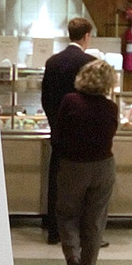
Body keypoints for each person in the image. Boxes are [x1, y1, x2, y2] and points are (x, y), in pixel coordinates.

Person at [55, 59, 119, 265]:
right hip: (103, 165)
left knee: (67, 214)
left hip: (74, 165)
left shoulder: (70, 101)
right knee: (95, 220)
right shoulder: (111, 107)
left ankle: (73, 256)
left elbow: (58, 133)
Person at [41, 17, 96, 244]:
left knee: (57, 183)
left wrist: (55, 123)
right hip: (83, 137)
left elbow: (45, 98)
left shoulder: (53, 62)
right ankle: (82, 232)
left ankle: (54, 231)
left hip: (59, 135)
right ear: (86, 36)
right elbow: (95, 98)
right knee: (84, 187)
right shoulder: (91, 62)